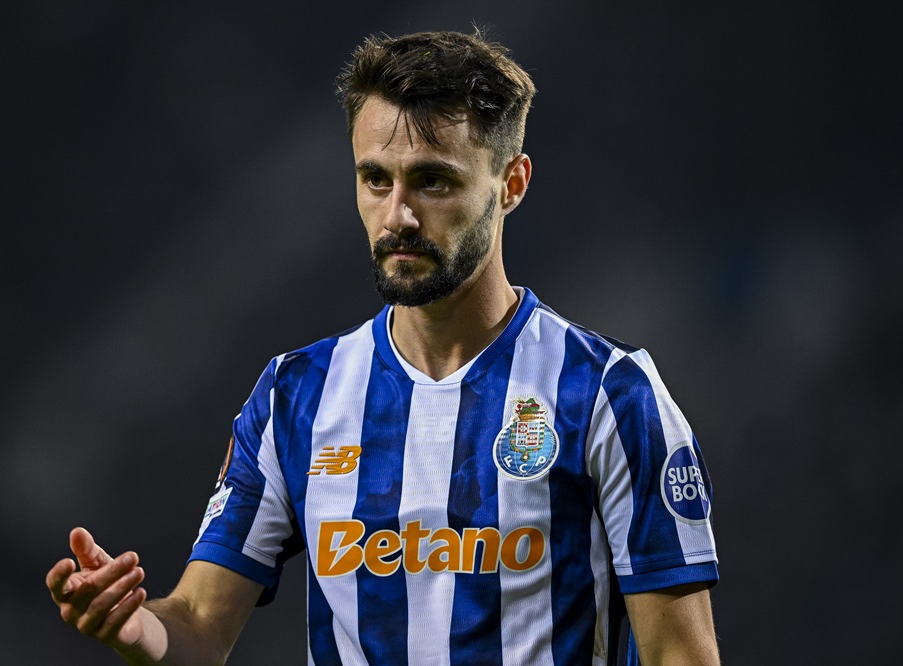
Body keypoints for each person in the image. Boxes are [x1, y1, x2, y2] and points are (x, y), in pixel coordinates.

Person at [46, 28, 720, 665]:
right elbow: (198, 623)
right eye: (375, 179)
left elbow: (681, 655)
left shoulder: (608, 394)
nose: (398, 214)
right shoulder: (296, 397)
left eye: (433, 181)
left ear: (511, 184)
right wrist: (138, 630)